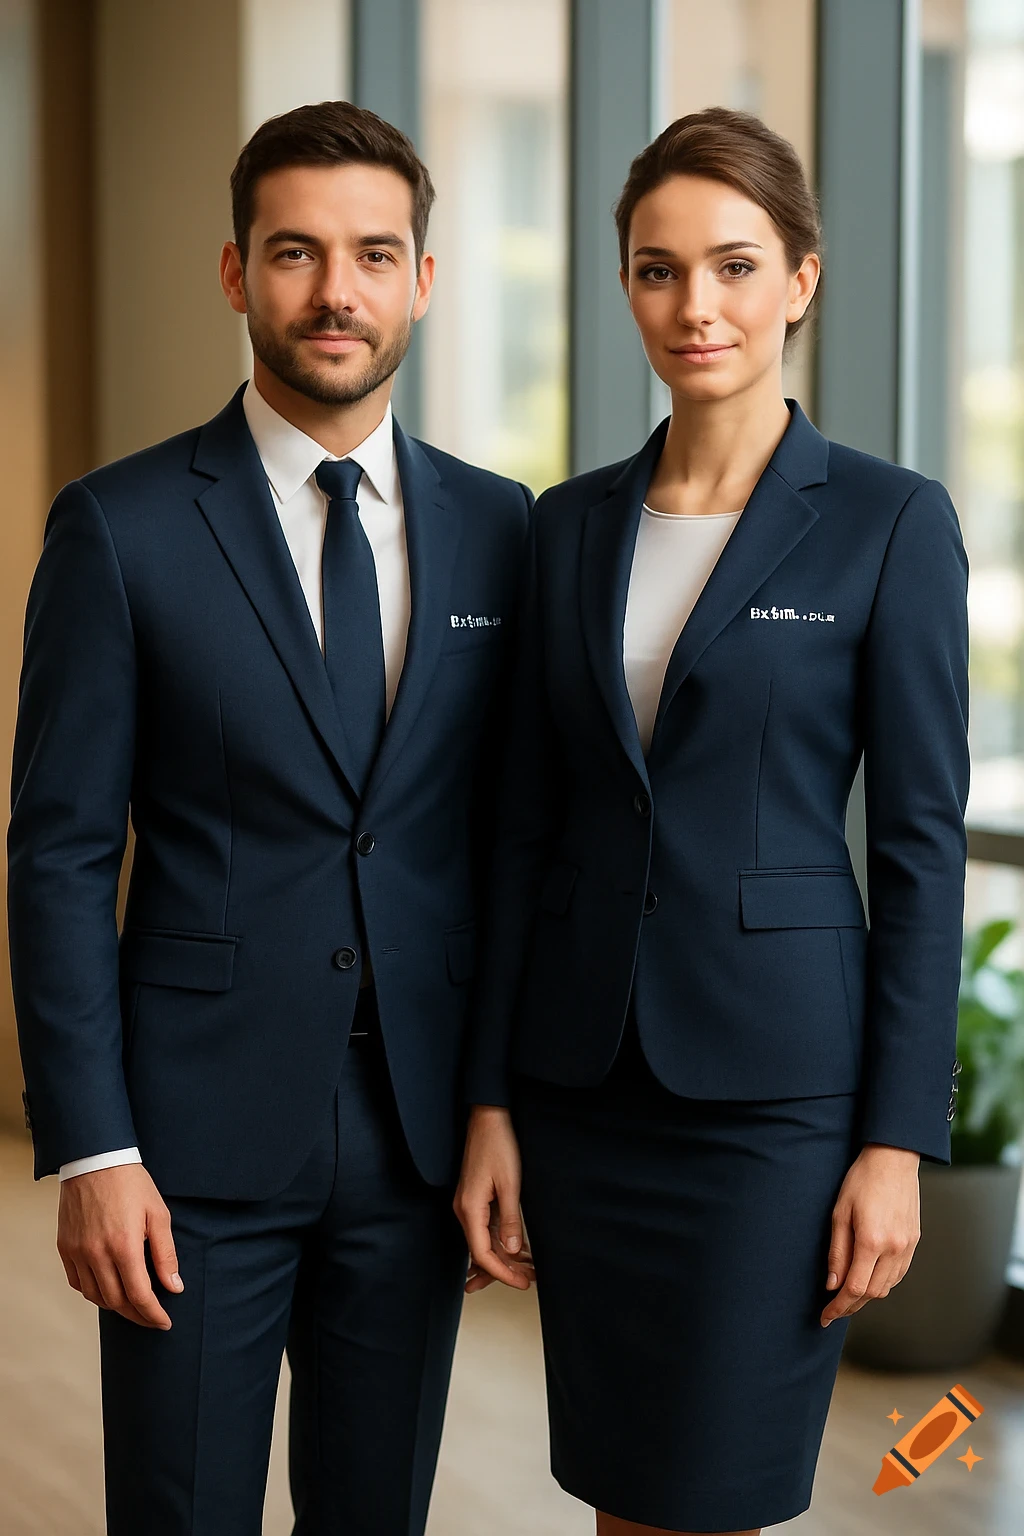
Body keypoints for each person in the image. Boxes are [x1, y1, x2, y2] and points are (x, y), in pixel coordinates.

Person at [9, 100, 532, 1535]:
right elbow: (56, 852)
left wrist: (495, 1108)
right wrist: (95, 1150)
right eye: (296, 252)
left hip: (418, 1142)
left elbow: (510, 843)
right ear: (237, 272)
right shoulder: (119, 529)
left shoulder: (505, 529)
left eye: (375, 253)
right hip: (188, 1149)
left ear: (426, 276)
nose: (336, 292)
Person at [455, 107, 968, 1536]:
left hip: (775, 1105)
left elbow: (921, 851)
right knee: (623, 1496)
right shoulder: (563, 527)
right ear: (626, 287)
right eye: (660, 270)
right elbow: (521, 829)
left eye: (736, 266)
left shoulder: (887, 522)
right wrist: (492, 1099)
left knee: (718, 1492)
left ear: (801, 279)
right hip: (580, 1084)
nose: (698, 307)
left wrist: (893, 1143)